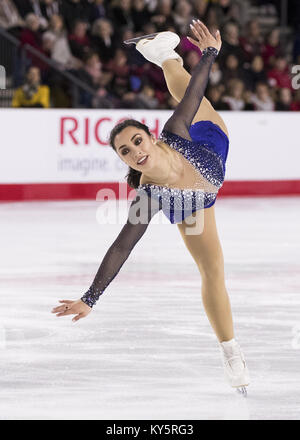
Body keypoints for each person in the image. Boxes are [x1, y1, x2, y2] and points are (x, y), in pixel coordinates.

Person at [52, 21, 250, 396]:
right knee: (212, 270)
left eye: (137, 141)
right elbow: (122, 246)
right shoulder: (150, 195)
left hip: (209, 145)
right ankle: (231, 351)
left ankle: (163, 54)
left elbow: (195, 89)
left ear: (151, 136)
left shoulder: (175, 131)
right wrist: (90, 298)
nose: (136, 152)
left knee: (193, 97)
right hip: (193, 202)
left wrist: (210, 52)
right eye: (125, 151)